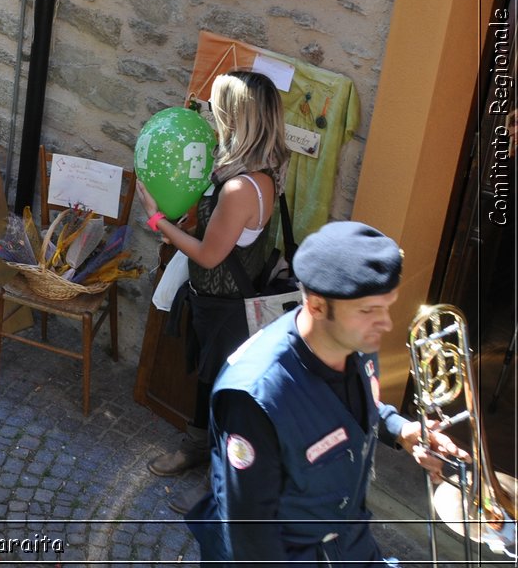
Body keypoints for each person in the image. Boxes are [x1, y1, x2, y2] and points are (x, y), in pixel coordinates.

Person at [188, 221, 466, 564]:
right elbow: (250, 535)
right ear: (317, 306)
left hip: (348, 541)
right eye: (368, 310)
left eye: (386, 306)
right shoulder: (255, 396)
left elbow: (352, 402)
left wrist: (401, 430)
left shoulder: (354, 338)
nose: (386, 323)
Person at [140, 70, 288, 504]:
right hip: (217, 302)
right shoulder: (258, 167)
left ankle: (218, 488)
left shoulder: (242, 187)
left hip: (230, 310)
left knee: (226, 394)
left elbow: (207, 255)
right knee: (209, 384)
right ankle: (196, 448)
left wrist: (157, 220)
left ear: (237, 116)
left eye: (218, 108)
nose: (213, 115)